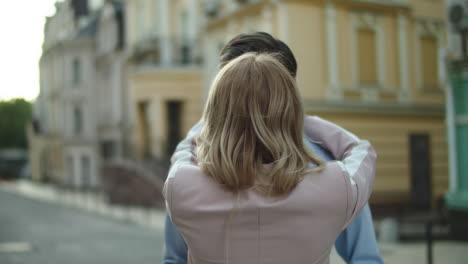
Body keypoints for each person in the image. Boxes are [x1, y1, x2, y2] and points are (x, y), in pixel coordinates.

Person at [163, 32, 382, 264]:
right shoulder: (336, 176)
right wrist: (302, 120)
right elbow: (362, 153)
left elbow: (174, 259)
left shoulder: (183, 181)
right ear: (290, 97)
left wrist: (201, 130)